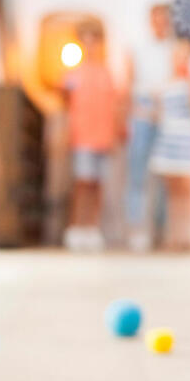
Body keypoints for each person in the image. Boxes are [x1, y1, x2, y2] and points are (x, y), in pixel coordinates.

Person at [63, 20, 124, 251]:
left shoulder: (106, 73)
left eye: (94, 41)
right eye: (85, 41)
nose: (90, 46)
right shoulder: (72, 74)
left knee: (98, 184)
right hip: (82, 136)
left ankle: (92, 228)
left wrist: (116, 133)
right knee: (82, 183)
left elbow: (114, 105)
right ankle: (76, 227)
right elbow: (65, 104)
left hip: (103, 136)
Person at [125, 3, 172, 251]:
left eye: (164, 19)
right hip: (142, 112)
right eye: (156, 18)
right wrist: (135, 111)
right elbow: (130, 81)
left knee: (164, 178)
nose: (160, 23)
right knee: (137, 176)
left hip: (166, 113)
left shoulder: (174, 50)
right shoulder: (138, 49)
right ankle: (137, 231)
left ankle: (160, 232)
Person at [150, 38, 190, 250]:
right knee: (172, 194)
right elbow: (158, 113)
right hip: (168, 137)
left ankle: (188, 237)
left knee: (187, 192)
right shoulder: (165, 83)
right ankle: (173, 237)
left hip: (185, 136)